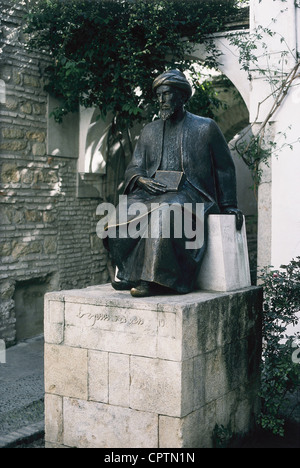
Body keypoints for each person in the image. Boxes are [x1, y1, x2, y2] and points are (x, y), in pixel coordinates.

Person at [104, 70, 243, 297]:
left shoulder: (205, 127)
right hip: (152, 192)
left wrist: (229, 205)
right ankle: (129, 273)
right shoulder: (149, 131)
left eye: (166, 94)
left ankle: (153, 280)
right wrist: (141, 180)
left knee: (165, 214)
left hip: (191, 193)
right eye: (158, 95)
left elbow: (224, 168)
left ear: (181, 96)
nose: (161, 100)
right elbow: (135, 166)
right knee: (120, 213)